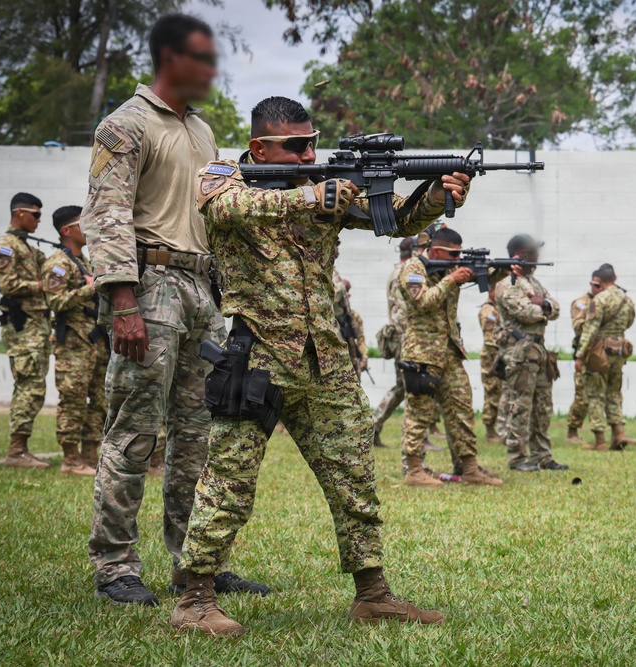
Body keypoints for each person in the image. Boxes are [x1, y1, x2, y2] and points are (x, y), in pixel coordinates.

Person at [173, 95, 471, 635]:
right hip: (257, 355)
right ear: (261, 146)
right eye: (296, 146)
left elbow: (393, 218)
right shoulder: (226, 176)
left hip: (324, 359)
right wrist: (311, 194)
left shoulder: (328, 186)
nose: (311, 151)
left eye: (313, 141)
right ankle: (194, 598)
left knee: (353, 474)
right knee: (229, 480)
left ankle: (373, 593)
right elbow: (221, 209)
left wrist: (435, 196)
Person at [82, 14, 264, 606]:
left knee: (199, 435)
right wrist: (124, 303)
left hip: (199, 287)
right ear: (169, 59)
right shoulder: (125, 125)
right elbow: (106, 214)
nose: (212, 72)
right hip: (150, 283)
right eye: (202, 61)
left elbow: (216, 214)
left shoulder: (204, 133)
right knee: (135, 431)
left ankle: (198, 564)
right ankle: (115, 567)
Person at [399, 226, 504, 488]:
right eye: (452, 255)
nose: (457, 260)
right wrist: (451, 280)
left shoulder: (447, 268)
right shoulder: (414, 268)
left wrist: (502, 270)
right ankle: (413, 470)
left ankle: (468, 467)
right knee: (419, 412)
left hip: (449, 351)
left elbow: (485, 277)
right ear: (436, 250)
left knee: (461, 409)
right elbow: (421, 302)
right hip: (422, 352)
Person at [42, 205, 107, 476]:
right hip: (73, 343)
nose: (89, 227)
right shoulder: (58, 263)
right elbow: (55, 300)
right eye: (83, 223)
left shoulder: (86, 261)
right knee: (74, 400)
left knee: (100, 400)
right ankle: (71, 460)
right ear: (66, 231)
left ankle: (90, 456)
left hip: (96, 342)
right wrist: (88, 288)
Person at [493, 234, 568, 472]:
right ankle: (517, 457)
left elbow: (555, 308)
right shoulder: (508, 284)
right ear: (519, 256)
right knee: (521, 405)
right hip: (521, 352)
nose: (537, 258)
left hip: (539, 350)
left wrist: (543, 302)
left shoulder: (534, 283)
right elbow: (527, 313)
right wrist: (542, 305)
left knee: (543, 406)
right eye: (532, 253)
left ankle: (542, 456)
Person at [0, 192, 52, 468]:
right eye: (35, 215)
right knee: (29, 386)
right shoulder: (5, 246)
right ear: (20, 213)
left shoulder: (27, 246)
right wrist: (42, 286)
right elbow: (8, 285)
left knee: (34, 385)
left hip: (36, 324)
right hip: (23, 325)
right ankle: (16, 451)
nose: (39, 220)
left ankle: (19, 449)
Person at [370, 237, 440, 451]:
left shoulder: (399, 271)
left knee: (403, 387)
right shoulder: (407, 273)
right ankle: (417, 438)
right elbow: (404, 312)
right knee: (411, 386)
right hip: (406, 337)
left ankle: (372, 427)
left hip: (402, 337)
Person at [575, 264, 636, 450]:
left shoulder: (599, 300)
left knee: (595, 394)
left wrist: (580, 355)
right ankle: (619, 433)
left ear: (599, 281)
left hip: (599, 352)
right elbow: (629, 322)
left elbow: (590, 329)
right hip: (619, 350)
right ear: (615, 278)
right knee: (614, 392)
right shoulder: (627, 300)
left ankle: (600, 441)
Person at [565, 276, 605, 444]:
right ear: (591, 284)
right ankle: (572, 431)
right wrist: (594, 317)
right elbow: (579, 327)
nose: (599, 290)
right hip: (585, 353)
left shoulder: (606, 301)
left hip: (602, 354)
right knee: (582, 396)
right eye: (596, 286)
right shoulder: (581, 303)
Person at [477, 290, 503, 442]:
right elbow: (490, 339)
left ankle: (497, 428)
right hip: (491, 359)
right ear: (492, 290)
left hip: (497, 358)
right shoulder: (489, 311)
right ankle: (490, 430)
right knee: (491, 391)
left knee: (498, 392)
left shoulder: (497, 308)